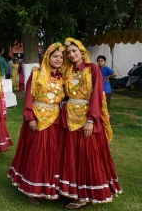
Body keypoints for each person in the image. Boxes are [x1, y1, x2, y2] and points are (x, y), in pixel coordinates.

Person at [57, 38, 122, 209]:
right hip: (69, 117)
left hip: (87, 117)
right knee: (72, 155)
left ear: (81, 50)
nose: (71, 54)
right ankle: (73, 191)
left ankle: (84, 195)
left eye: (74, 51)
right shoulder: (68, 71)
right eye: (68, 52)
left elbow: (97, 96)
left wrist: (91, 120)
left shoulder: (92, 68)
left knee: (87, 154)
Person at [8, 43, 65, 204]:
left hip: (55, 118)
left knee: (52, 153)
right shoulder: (37, 73)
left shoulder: (63, 76)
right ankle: (33, 188)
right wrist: (30, 117)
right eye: (55, 56)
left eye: (61, 57)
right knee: (37, 152)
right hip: (37, 118)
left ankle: (50, 186)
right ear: (47, 57)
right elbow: (29, 97)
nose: (58, 59)